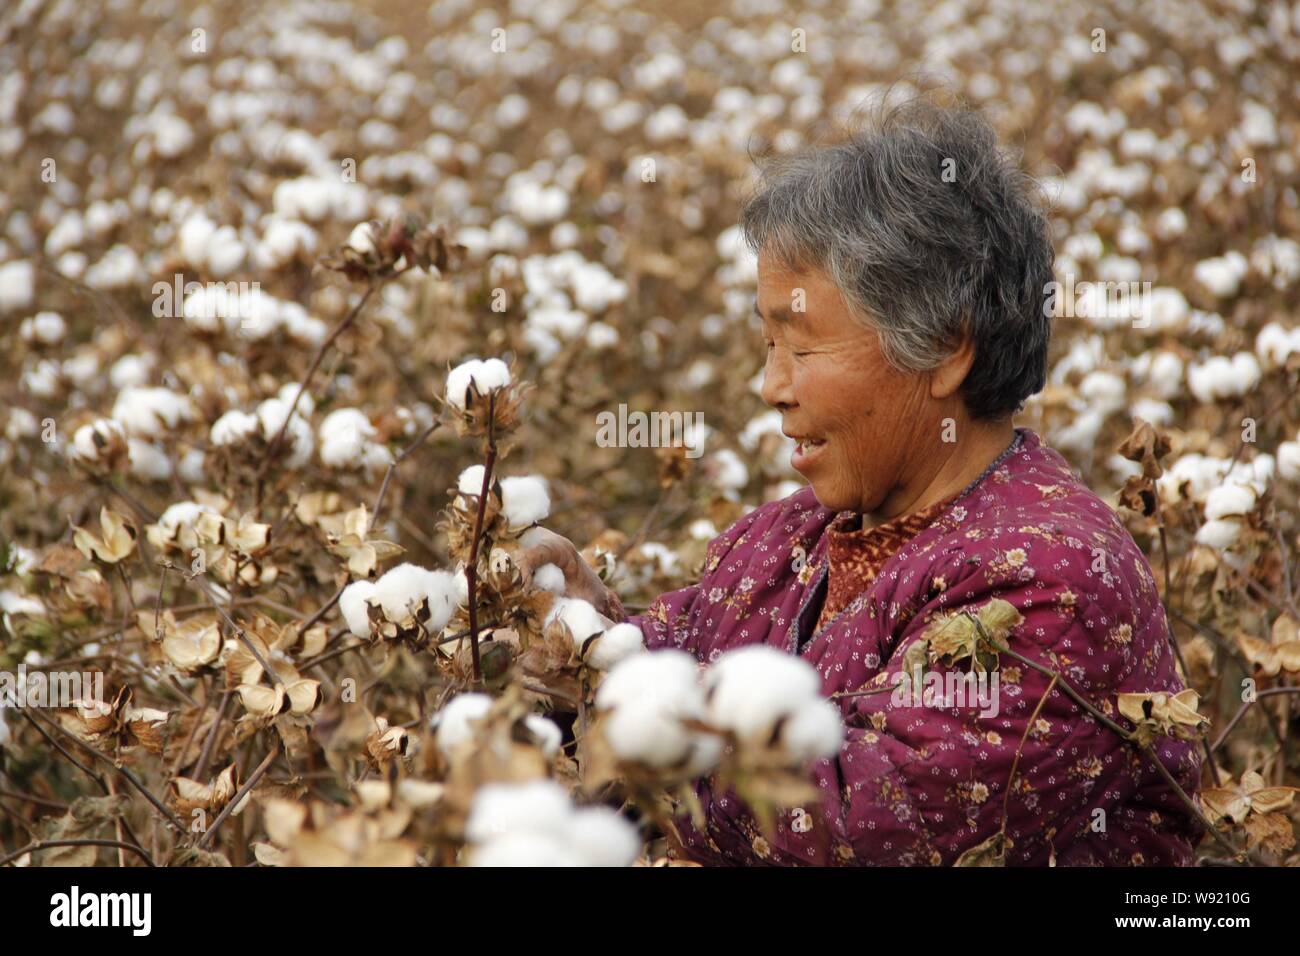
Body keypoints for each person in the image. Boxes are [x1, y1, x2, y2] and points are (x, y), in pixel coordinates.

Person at [519, 94, 1203, 866]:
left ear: (945, 347)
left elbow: (857, 829)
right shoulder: (780, 542)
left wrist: (637, 748)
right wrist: (577, 637)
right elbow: (675, 661)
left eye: (801, 348)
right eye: (766, 339)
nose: (771, 384)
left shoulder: (1054, 582)